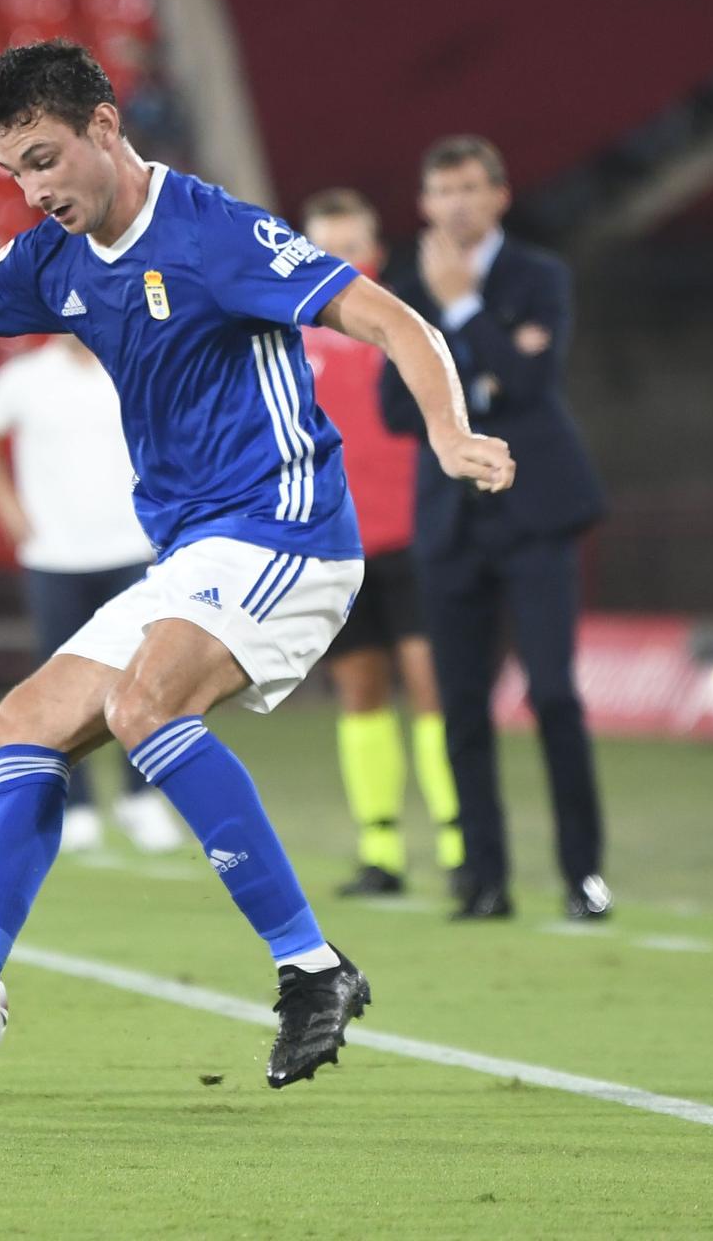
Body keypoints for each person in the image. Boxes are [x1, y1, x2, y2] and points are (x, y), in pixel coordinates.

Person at [0, 41, 514, 1087]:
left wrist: (445, 434)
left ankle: (311, 966)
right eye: (13, 174)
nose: (35, 191)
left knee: (143, 708)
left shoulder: (213, 231)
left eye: (44, 159)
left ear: (101, 125)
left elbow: (390, 318)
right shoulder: (50, 259)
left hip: (286, 527)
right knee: (19, 725)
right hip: (191, 548)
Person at [379, 136, 608, 921]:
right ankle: (484, 878)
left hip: (537, 516)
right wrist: (478, 350)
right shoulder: (405, 293)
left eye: (473, 188)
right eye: (444, 191)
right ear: (425, 205)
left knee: (552, 695)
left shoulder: (538, 277)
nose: (459, 204)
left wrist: (466, 312)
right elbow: (392, 409)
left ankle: (583, 875)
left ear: (501, 195)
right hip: (451, 526)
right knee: (461, 704)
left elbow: (535, 380)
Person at [299, 189, 463, 896]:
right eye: (326, 249)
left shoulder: (406, 332)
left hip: (417, 538)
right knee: (360, 691)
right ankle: (382, 852)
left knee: (434, 689)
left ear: (378, 254)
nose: (341, 261)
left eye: (353, 248)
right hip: (335, 545)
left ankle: (462, 847)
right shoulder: (284, 340)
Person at [0, 334, 184, 855]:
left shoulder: (131, 365)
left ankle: (140, 796)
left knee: (145, 676)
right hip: (54, 554)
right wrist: (8, 507)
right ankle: (76, 803)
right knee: (62, 686)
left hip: (131, 546)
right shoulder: (25, 377)